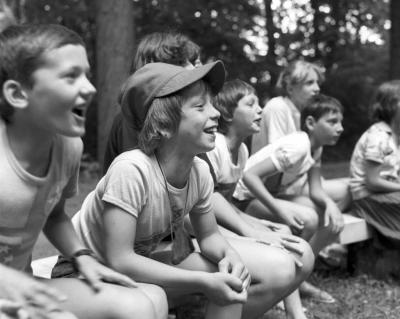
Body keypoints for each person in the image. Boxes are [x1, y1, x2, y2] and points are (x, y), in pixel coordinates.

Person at [63, 61, 313, 319]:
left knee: (230, 279)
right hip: (86, 270)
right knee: (159, 298)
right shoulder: (132, 170)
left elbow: (209, 238)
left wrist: (231, 256)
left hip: (133, 267)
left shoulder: (198, 171)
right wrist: (201, 281)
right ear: (163, 123)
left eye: (213, 104)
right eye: (200, 106)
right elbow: (121, 259)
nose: (215, 113)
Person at [0, 24, 167, 319]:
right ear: (17, 93)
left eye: (87, 74)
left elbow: (53, 215)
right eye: (70, 76)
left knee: (142, 302)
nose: (90, 87)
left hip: (22, 286)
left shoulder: (68, 147)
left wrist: (82, 256)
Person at [200, 79, 314, 319]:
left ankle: (295, 313)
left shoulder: (241, 151)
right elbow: (206, 202)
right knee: (278, 243)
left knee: (282, 230)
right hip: (204, 227)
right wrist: (251, 229)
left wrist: (260, 224)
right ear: (228, 114)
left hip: (224, 219)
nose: (260, 110)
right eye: (250, 104)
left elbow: (225, 201)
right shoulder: (216, 147)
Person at [234, 94, 345, 303]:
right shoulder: (298, 145)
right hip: (243, 200)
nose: (340, 128)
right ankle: (291, 280)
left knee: (322, 213)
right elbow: (249, 176)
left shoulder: (316, 147)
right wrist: (280, 210)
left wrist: (332, 205)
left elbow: (316, 190)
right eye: (332, 122)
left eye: (340, 122)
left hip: (268, 196)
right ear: (311, 123)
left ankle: (299, 273)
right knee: (309, 218)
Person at [251, 60, 350, 210]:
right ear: (290, 88)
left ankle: (334, 217)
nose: (317, 89)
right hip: (269, 186)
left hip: (296, 182)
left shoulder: (304, 113)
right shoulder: (278, 107)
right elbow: (276, 162)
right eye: (309, 83)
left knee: (349, 191)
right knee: (314, 208)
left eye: (317, 83)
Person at [103, 31, 201, 173]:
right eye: (181, 62)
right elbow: (110, 180)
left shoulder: (187, 118)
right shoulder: (123, 123)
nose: (192, 69)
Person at [350, 80, 400, 243]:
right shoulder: (378, 136)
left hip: (385, 194)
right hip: (367, 198)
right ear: (392, 105)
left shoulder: (394, 135)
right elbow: (372, 182)